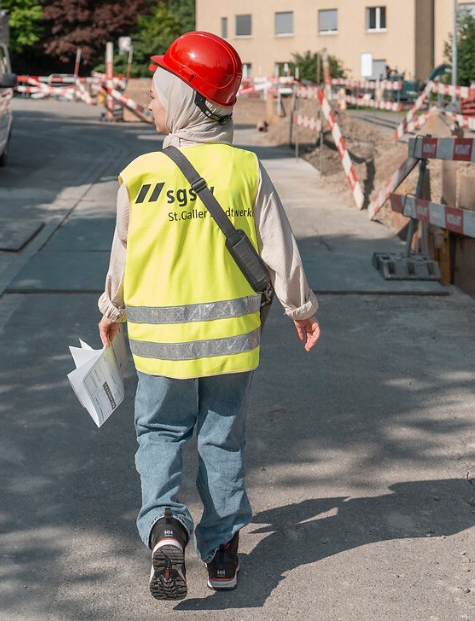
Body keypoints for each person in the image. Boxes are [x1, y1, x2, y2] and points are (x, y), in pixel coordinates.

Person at [96, 31, 321, 601]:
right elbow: (279, 247)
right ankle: (221, 548)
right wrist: (301, 308)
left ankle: (166, 527)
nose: (149, 103)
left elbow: (122, 256)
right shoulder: (246, 169)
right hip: (232, 343)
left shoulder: (141, 174)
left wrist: (111, 311)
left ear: (185, 98)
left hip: (159, 347)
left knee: (160, 434)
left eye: (157, 92)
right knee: (222, 439)